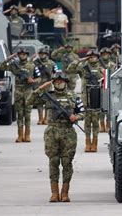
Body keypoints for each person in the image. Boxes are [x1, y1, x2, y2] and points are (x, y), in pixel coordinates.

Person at [27, 72, 85, 202]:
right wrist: (41, 88)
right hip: (52, 132)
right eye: (56, 82)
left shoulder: (74, 97)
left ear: (65, 82)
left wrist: (76, 117)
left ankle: (65, 193)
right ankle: (54, 193)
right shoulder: (48, 96)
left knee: (67, 163)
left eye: (61, 81)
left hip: (68, 132)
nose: (59, 83)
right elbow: (29, 101)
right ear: (53, 83)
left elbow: (82, 112)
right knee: (53, 162)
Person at [66, 50, 104, 152]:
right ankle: (88, 143)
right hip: (85, 98)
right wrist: (80, 60)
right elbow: (70, 69)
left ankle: (94, 143)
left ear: (97, 57)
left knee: (95, 123)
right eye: (90, 56)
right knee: (87, 122)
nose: (92, 58)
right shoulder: (83, 68)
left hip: (96, 98)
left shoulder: (101, 68)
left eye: (94, 56)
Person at [0, 48, 40, 143]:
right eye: (20, 54)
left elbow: (39, 78)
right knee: (20, 115)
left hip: (28, 91)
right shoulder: (14, 65)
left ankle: (27, 135)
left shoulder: (32, 65)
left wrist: (33, 81)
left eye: (24, 54)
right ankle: (20, 135)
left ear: (27, 55)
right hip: (18, 91)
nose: (22, 55)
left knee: (28, 114)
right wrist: (10, 58)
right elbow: (1, 67)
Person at [32, 46, 58, 125]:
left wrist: (52, 77)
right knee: (39, 102)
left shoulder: (52, 63)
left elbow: (56, 73)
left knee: (48, 102)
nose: (42, 55)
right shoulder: (35, 63)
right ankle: (40, 118)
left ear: (47, 54)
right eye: (40, 54)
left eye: (44, 54)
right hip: (38, 85)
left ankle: (46, 118)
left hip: (48, 85)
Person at [98, 47, 116, 133]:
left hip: (109, 88)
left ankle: (108, 124)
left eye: (107, 54)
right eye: (103, 54)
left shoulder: (112, 65)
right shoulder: (97, 65)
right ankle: (101, 124)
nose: (105, 56)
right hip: (100, 88)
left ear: (109, 55)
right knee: (101, 107)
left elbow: (114, 75)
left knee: (108, 107)